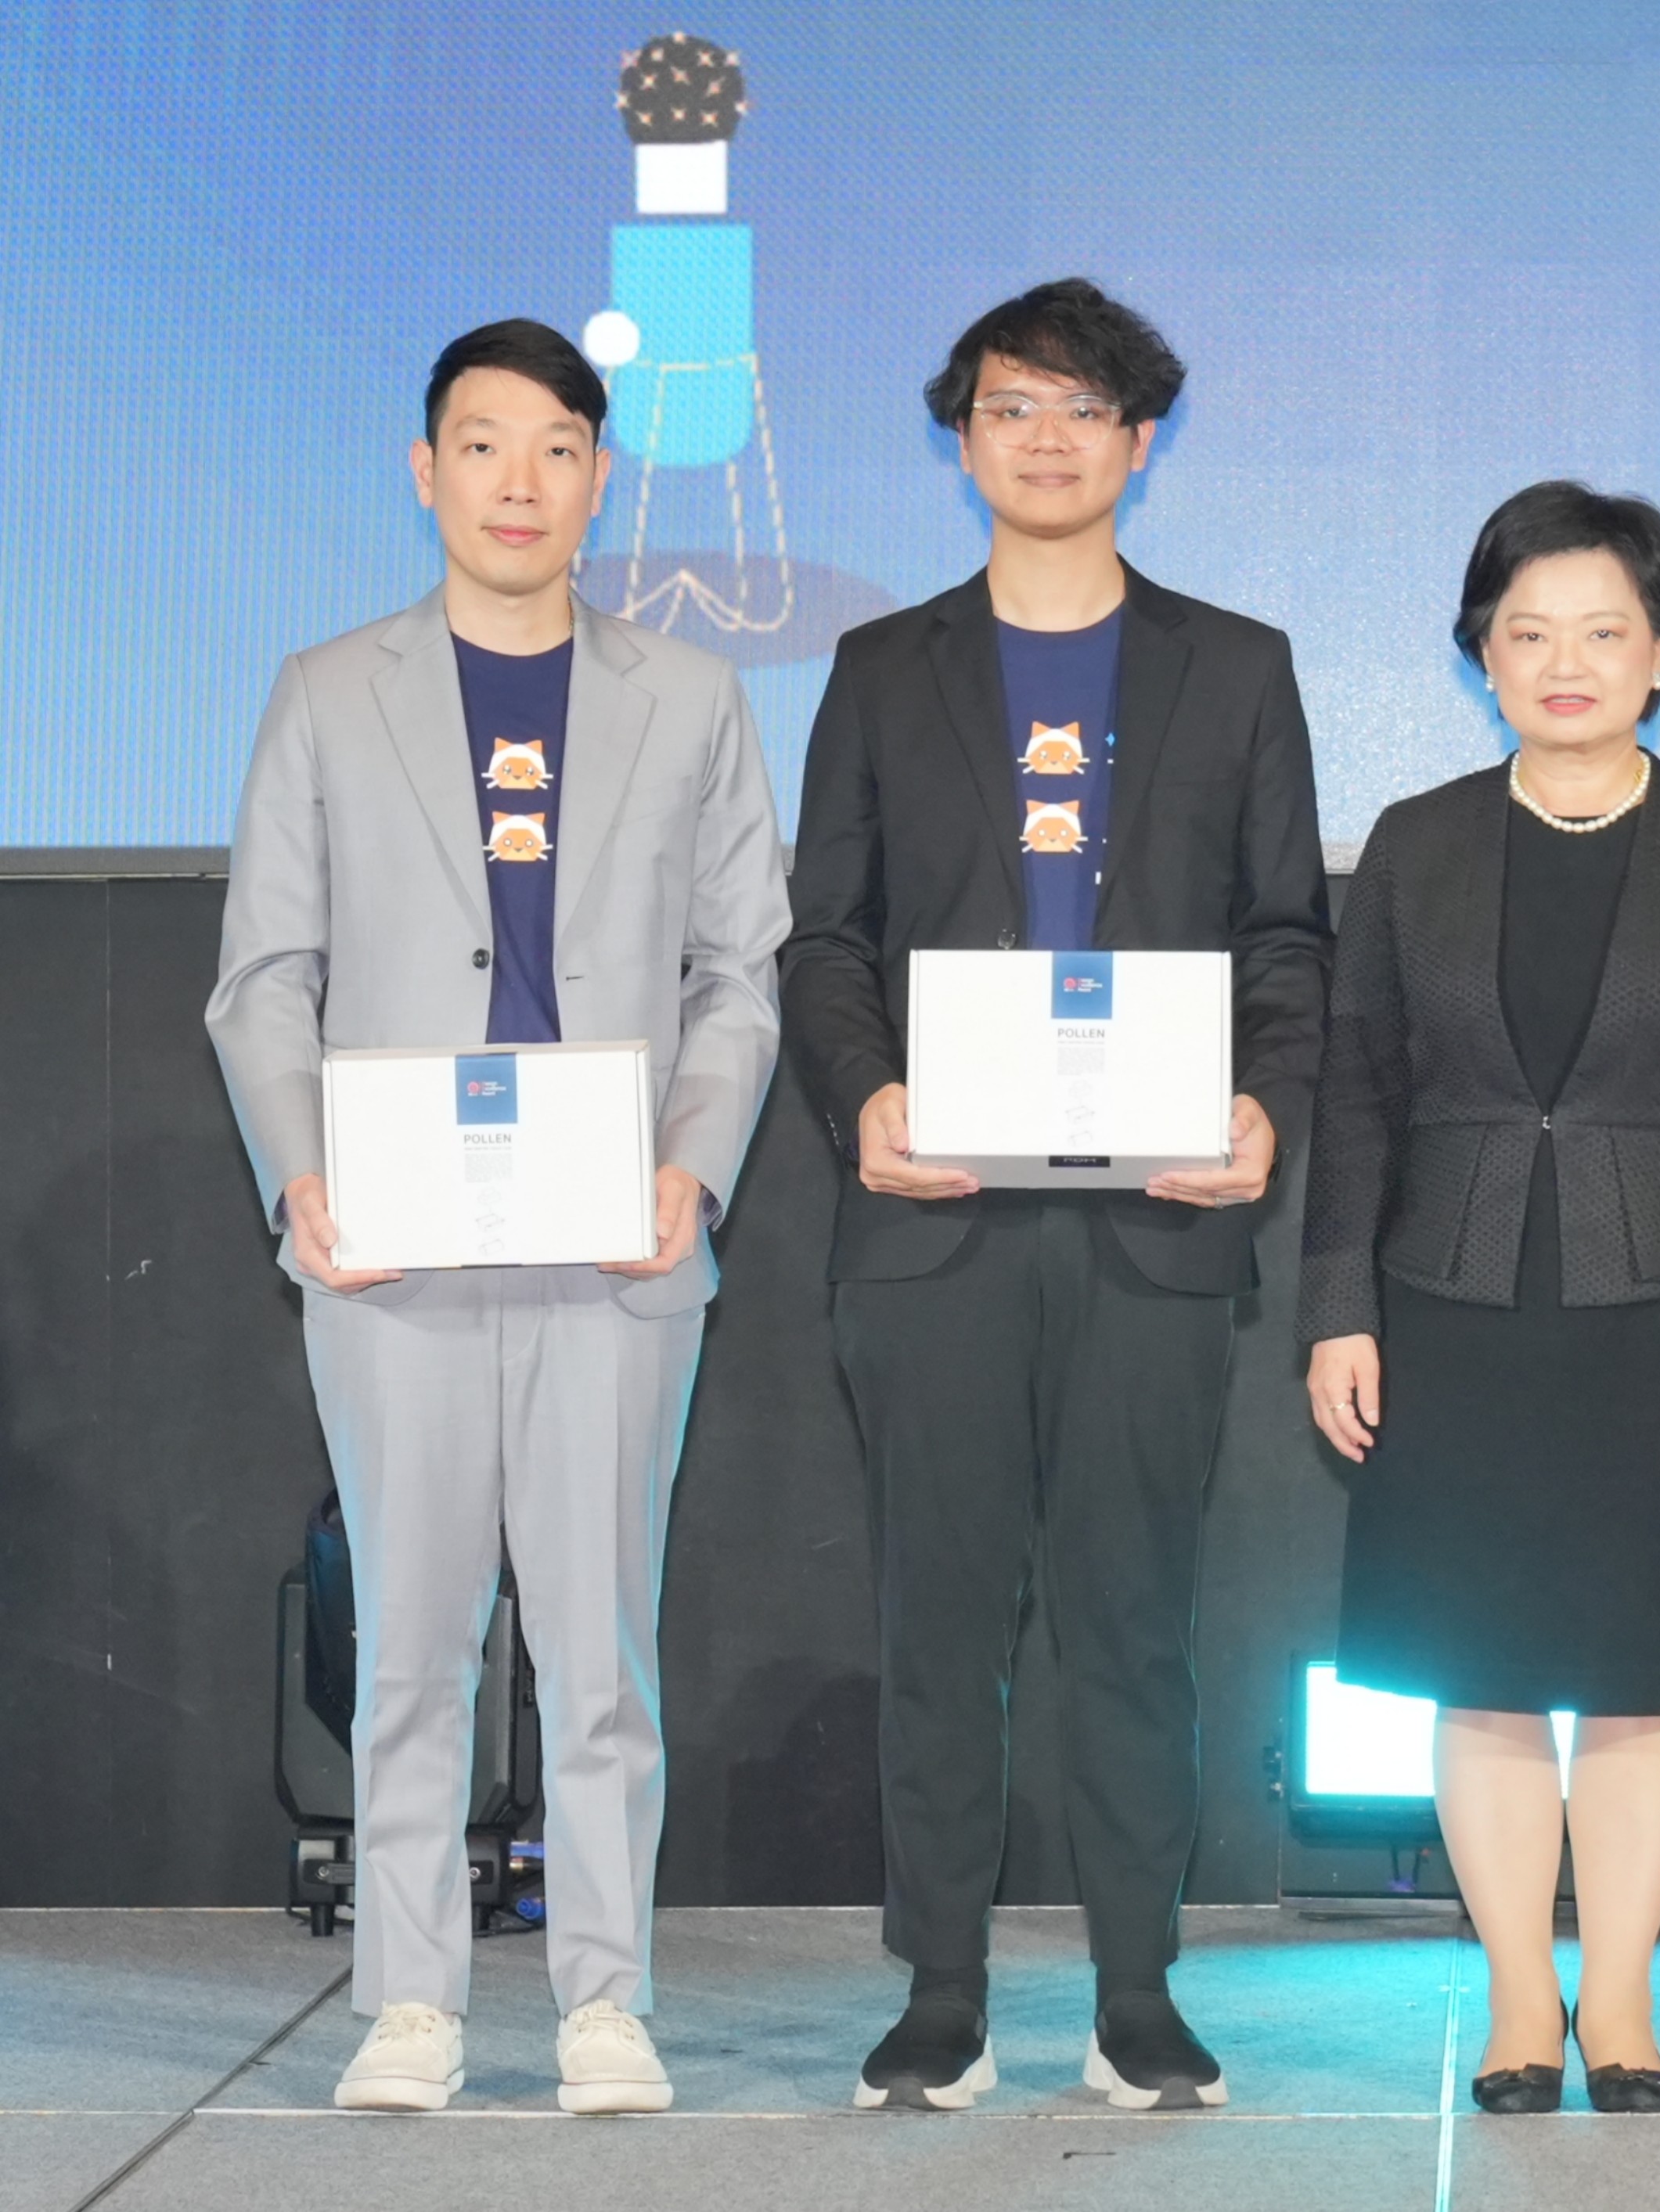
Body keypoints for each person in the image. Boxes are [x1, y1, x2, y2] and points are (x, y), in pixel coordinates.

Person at [206, 320, 790, 2114]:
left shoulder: (690, 696)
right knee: (409, 1646)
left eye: (554, 449)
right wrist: (304, 1174)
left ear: (597, 478)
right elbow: (264, 976)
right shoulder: (329, 690)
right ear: (425, 469)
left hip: (616, 1247)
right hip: (395, 1247)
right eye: (481, 445)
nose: (517, 482)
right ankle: (411, 2003)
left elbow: (741, 972)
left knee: (601, 1653)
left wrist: (690, 1161)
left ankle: (604, 2001)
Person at [783, 279, 1331, 2113]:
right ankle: (939, 1991)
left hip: (1153, 1221)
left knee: (1132, 1627)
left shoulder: (1233, 667)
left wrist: (1262, 1107)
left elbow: (1285, 935)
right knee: (938, 1628)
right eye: (1011, 405)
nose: (1045, 438)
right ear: (962, 440)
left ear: (1139, 444)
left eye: (1083, 409)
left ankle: (1135, 1992)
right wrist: (860, 1096)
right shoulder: (883, 668)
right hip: (931, 1224)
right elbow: (825, 937)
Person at [1298, 482, 1660, 2114]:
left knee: (1641, 1671)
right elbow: (1358, 1095)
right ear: (1483, 655)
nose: (1567, 662)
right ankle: (1523, 1998)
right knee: (1482, 1668)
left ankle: (1624, 2002)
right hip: (1447, 1302)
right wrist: (1336, 1304)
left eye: (1604, 631)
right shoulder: (1417, 843)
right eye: (1528, 633)